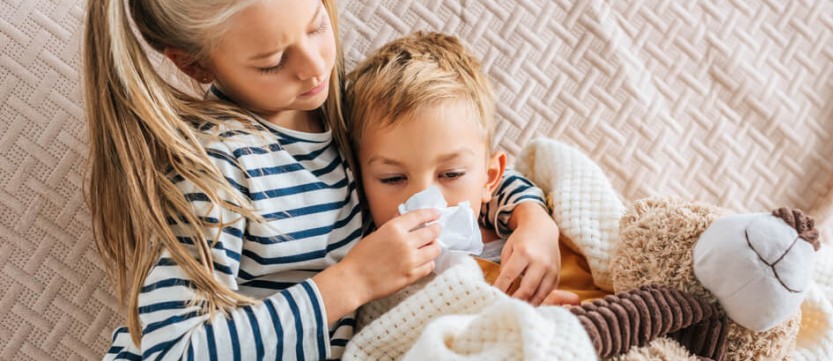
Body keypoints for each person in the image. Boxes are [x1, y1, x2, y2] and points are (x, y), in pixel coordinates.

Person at [82, 0, 558, 359]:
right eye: (271, 61)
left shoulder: (333, 112)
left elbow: (460, 168)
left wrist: (531, 218)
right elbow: (168, 352)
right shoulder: (211, 170)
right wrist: (349, 283)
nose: (314, 67)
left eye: (316, 25)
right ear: (194, 64)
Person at [347, 31, 590, 307]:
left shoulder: (515, 229)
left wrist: (535, 220)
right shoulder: (366, 257)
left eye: (451, 174)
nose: (426, 203)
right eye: (393, 178)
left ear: (489, 178)